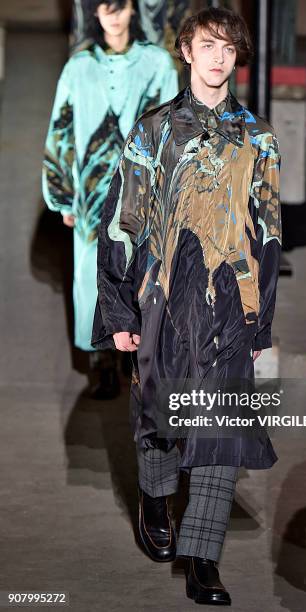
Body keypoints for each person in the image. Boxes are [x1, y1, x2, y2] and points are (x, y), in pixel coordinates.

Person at [92, 6, 281, 605]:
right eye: (208, 44)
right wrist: (120, 313)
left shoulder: (260, 139)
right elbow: (123, 224)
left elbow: (269, 234)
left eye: (229, 47)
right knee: (160, 414)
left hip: (230, 303)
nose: (219, 56)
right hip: (163, 298)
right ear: (187, 50)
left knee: (221, 429)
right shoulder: (153, 131)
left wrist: (261, 322)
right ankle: (154, 493)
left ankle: (203, 560)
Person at [42, 0, 178, 399]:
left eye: (120, 6)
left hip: (143, 191)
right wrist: (63, 197)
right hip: (91, 195)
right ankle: (102, 362)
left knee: (139, 271)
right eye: (105, 7)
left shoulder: (157, 65)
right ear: (95, 13)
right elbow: (60, 131)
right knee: (89, 278)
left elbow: (171, 129)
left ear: (132, 10)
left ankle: (133, 355)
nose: (114, 15)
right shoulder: (79, 68)